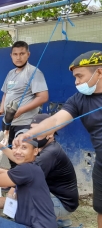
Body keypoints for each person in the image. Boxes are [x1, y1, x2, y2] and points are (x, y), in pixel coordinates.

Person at [14, 50, 102, 227]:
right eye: (74, 77)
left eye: (79, 76)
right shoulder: (79, 99)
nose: (76, 82)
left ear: (99, 72)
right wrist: (28, 134)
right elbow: (55, 120)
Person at [0, 129, 57, 228]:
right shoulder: (33, 168)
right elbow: (6, 202)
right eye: (15, 147)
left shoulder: (27, 169)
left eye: (24, 147)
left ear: (35, 151)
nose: (18, 151)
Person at [0, 114, 78, 227]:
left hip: (62, 202)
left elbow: (20, 176)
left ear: (50, 133)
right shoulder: (43, 148)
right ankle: (56, 222)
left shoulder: (50, 153)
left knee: (22, 210)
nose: (33, 134)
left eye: (39, 129)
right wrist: (1, 146)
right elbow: (22, 167)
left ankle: (53, 221)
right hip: (52, 195)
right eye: (32, 129)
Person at [0, 41, 48, 169]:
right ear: (11, 55)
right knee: (10, 151)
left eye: (22, 54)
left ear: (28, 54)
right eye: (15, 54)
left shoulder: (34, 72)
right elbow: (6, 94)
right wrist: (1, 109)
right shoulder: (11, 73)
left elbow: (43, 97)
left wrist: (21, 111)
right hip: (7, 122)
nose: (18, 57)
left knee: (23, 154)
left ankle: (23, 183)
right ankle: (14, 179)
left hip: (24, 123)